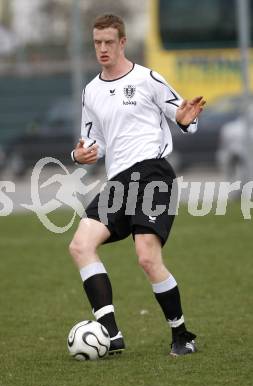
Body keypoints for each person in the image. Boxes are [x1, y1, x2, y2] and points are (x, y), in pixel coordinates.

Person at [69, 14, 205, 357]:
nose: (102, 48)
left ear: (123, 42)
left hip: (153, 175)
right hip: (118, 182)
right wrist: (79, 154)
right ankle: (111, 334)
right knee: (81, 245)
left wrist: (184, 118)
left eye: (109, 42)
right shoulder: (91, 91)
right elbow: (91, 142)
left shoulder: (148, 79)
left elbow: (181, 112)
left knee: (146, 257)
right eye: (97, 42)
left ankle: (181, 334)